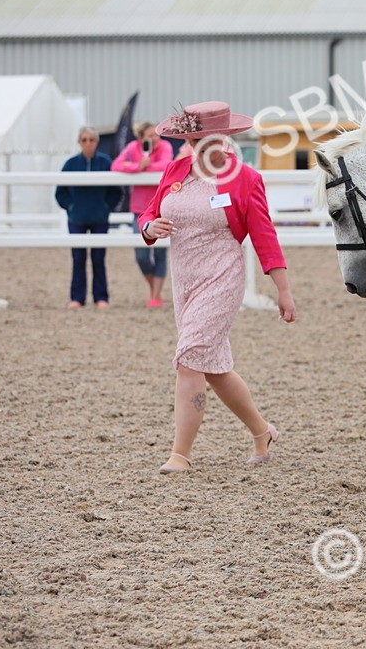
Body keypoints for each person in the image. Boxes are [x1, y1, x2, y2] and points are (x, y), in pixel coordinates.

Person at [139, 102, 296, 473]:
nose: (196, 144)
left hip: (222, 278)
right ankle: (262, 431)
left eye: (202, 137)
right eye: (191, 138)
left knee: (189, 357)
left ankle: (181, 453)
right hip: (185, 280)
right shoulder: (176, 169)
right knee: (214, 367)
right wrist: (149, 227)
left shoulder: (245, 178)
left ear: (223, 137)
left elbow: (264, 238)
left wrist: (283, 290)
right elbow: (149, 211)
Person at [55, 127, 122, 310]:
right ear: (79, 142)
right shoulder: (70, 164)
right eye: (84, 140)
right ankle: (77, 297)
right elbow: (60, 192)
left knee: (99, 258)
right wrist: (71, 207)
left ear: (97, 142)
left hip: (99, 218)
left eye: (91, 139)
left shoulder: (105, 162)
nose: (88, 143)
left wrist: (106, 207)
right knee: (78, 258)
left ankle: (101, 297)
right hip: (77, 218)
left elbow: (116, 191)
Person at [112, 121, 174, 307]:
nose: (155, 138)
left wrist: (144, 166)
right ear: (141, 138)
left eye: (156, 134)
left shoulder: (165, 146)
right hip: (139, 209)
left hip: (162, 206)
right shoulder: (132, 147)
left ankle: (155, 295)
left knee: (161, 253)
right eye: (150, 136)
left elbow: (167, 165)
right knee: (141, 255)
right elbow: (116, 165)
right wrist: (137, 166)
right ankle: (154, 288)